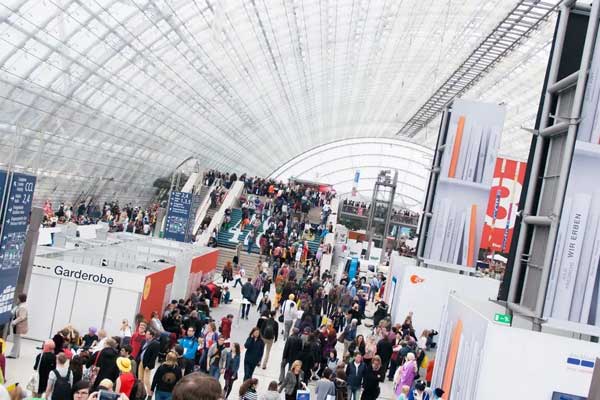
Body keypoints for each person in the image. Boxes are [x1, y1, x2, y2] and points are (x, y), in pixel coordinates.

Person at [8, 293, 28, 359]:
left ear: (20, 299)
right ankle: (16, 354)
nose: (17, 299)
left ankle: (13, 354)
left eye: (18, 298)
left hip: (19, 326)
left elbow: (22, 317)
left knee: (16, 340)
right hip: (18, 325)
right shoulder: (20, 305)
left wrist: (14, 322)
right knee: (17, 340)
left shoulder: (23, 307)